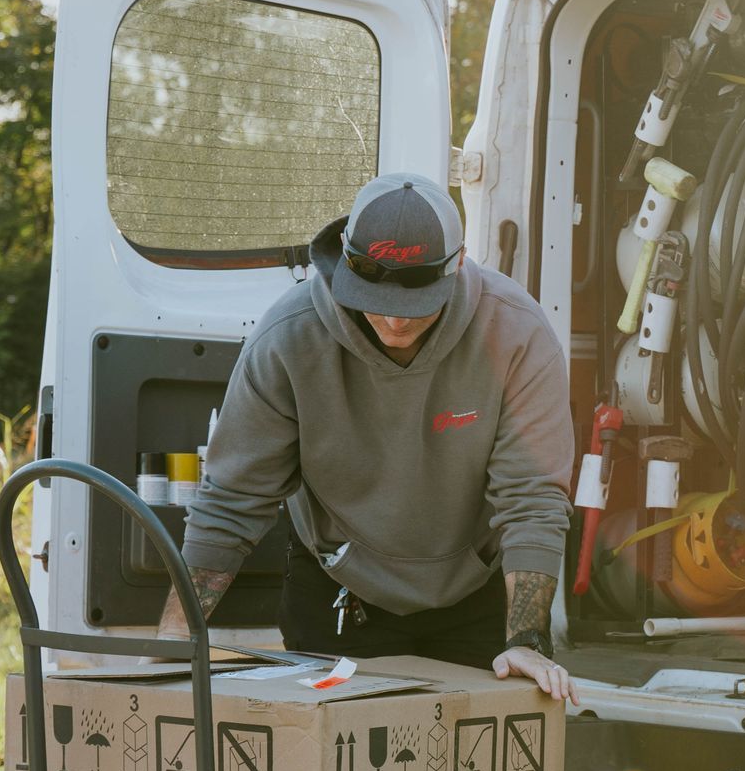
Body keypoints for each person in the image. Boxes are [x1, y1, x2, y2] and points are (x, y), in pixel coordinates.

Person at [158, 171, 578, 702]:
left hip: (477, 597)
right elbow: (233, 498)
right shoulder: (288, 337)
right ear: (344, 260)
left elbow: (533, 501)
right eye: (373, 296)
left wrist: (527, 639)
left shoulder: (516, 334)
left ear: (458, 263)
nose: (394, 322)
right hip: (339, 592)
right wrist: (177, 632)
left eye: (414, 301)